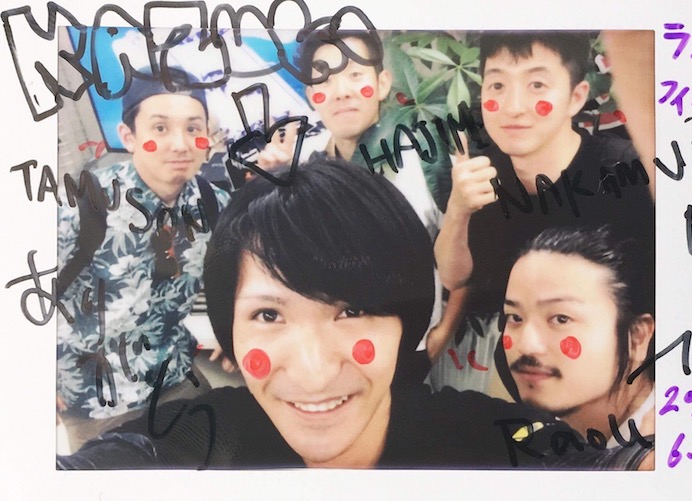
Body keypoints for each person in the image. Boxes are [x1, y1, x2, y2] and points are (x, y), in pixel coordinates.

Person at [57, 158, 651, 470]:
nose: (314, 371)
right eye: (269, 316)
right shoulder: (194, 441)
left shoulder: (488, 442)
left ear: (406, 323)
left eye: (355, 310)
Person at [429, 32, 655, 396]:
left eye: (537, 84)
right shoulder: (488, 172)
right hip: (526, 376)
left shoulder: (626, 174)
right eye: (498, 85)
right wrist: (458, 210)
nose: (514, 106)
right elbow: (455, 277)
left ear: (576, 97)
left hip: (619, 383)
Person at [257, 30, 466, 369]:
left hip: (404, 345)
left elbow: (466, 254)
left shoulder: (427, 159)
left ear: (382, 84)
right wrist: (276, 183)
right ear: (312, 96)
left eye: (355, 75)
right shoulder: (301, 161)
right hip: (326, 348)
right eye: (325, 80)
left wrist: (444, 330)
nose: (341, 91)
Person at [56, 67, 231, 451]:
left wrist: (232, 329)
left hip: (176, 380)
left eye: (193, 128)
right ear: (129, 137)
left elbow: (239, 274)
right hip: (94, 401)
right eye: (160, 128)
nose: (180, 144)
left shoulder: (213, 203)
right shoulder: (83, 205)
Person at [496, 226, 655, 447]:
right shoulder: (539, 438)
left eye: (561, 319)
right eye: (515, 317)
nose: (526, 345)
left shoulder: (678, 447)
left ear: (637, 337)